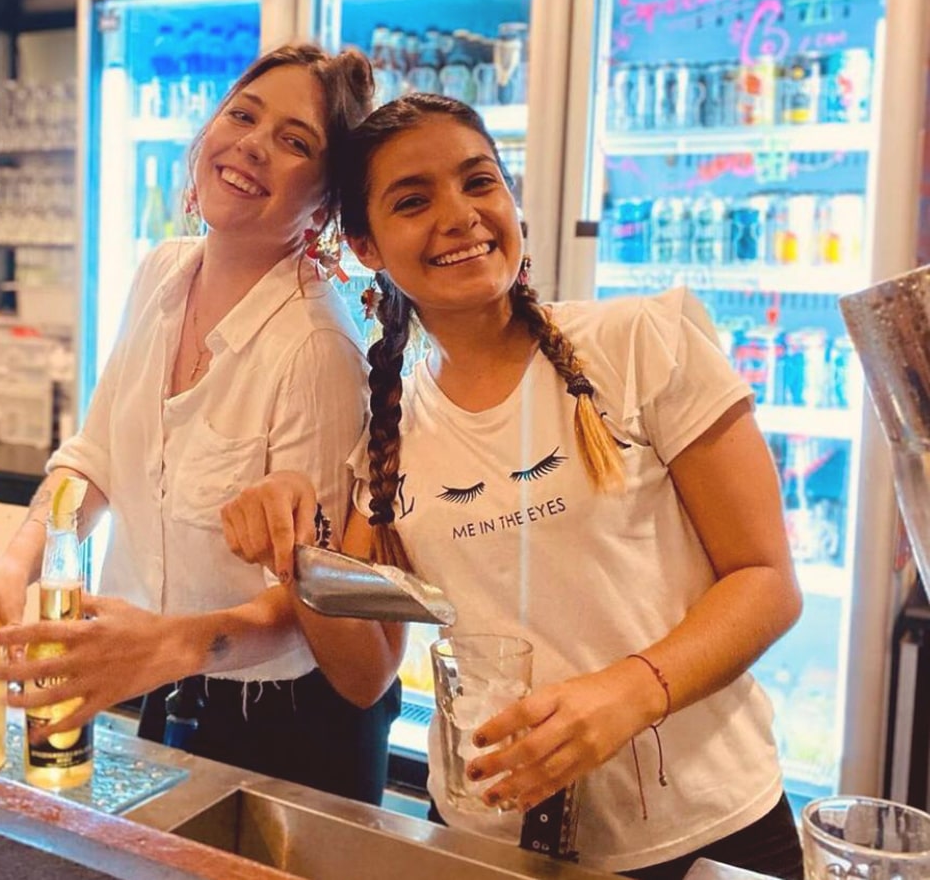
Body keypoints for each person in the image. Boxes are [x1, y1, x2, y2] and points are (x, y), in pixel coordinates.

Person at [220, 93, 804, 878]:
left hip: (707, 829)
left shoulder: (642, 342)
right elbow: (364, 675)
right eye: (413, 200)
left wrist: (632, 693)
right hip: (485, 839)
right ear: (366, 246)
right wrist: (298, 552)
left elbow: (766, 581)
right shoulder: (389, 437)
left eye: (479, 182)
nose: (459, 216)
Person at [0, 43, 401, 806]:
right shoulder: (161, 272)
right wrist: (6, 578)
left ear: (327, 204)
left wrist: (170, 645)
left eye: (294, 141)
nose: (252, 145)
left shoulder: (316, 347)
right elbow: (94, 461)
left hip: (286, 723)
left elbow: (313, 599)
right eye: (243, 115)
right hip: (154, 681)